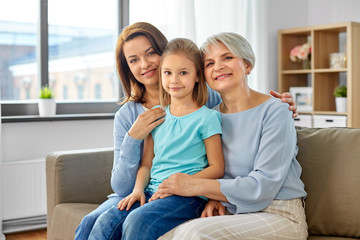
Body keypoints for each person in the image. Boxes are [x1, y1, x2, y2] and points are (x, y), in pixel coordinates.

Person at [75, 22, 298, 240]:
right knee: (93, 223)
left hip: (243, 201)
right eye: (134, 60)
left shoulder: (208, 106)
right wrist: (134, 138)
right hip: (164, 191)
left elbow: (240, 102)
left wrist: (283, 104)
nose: (144, 64)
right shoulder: (131, 115)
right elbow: (130, 179)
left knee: (154, 224)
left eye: (150, 53)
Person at [153, 32, 308, 240]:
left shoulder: (275, 110)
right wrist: (217, 198)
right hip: (232, 211)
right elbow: (212, 169)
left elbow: (263, 185)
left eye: (227, 57)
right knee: (160, 234)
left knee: (195, 233)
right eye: (209, 63)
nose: (218, 67)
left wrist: (193, 185)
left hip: (278, 213)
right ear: (202, 75)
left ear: (247, 65)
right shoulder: (209, 117)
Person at [88, 38, 225, 239]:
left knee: (138, 221)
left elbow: (217, 167)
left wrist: (183, 182)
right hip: (152, 191)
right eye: (167, 73)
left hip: (188, 196)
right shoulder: (156, 115)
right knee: (105, 221)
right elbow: (146, 165)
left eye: (183, 73)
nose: (174, 80)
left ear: (197, 76)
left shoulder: (207, 117)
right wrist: (137, 190)